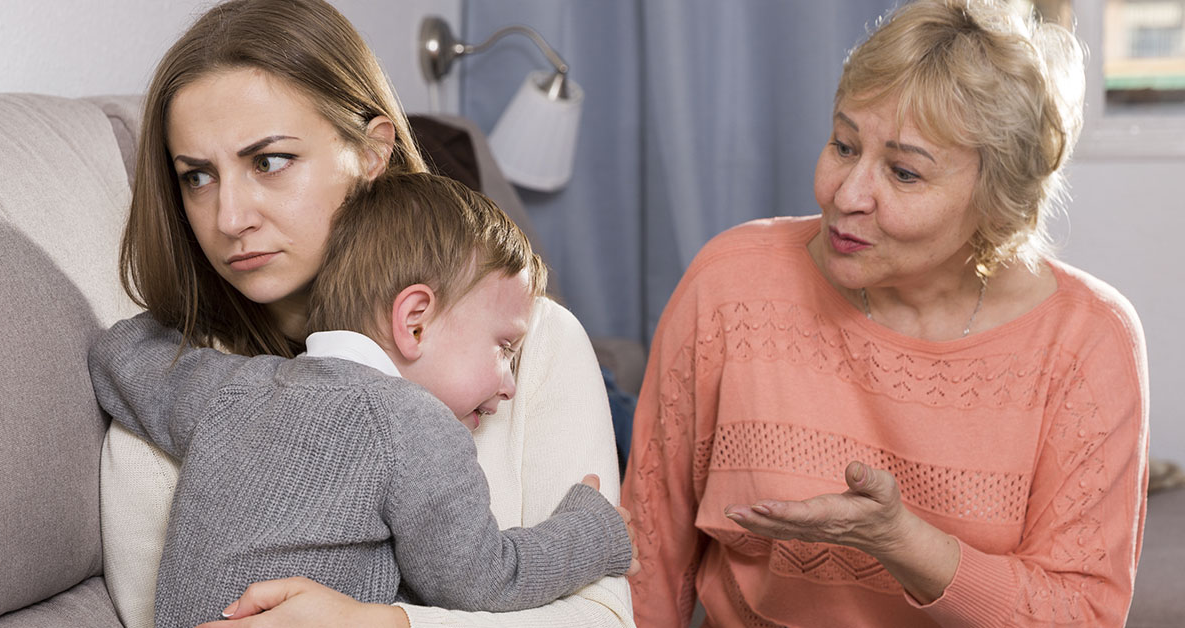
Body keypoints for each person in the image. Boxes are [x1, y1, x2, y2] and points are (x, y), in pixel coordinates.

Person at [101, 1, 636, 627]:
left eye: (269, 162)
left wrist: (384, 624)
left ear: (372, 152)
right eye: (197, 176)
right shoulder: (189, 367)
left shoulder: (537, 341)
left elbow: (603, 620)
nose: (229, 218)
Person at [621, 0, 1149, 626]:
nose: (846, 196)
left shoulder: (1087, 341)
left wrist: (902, 542)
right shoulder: (729, 285)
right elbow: (647, 556)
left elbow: (1081, 613)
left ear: (998, 199)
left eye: (903, 173)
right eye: (844, 145)